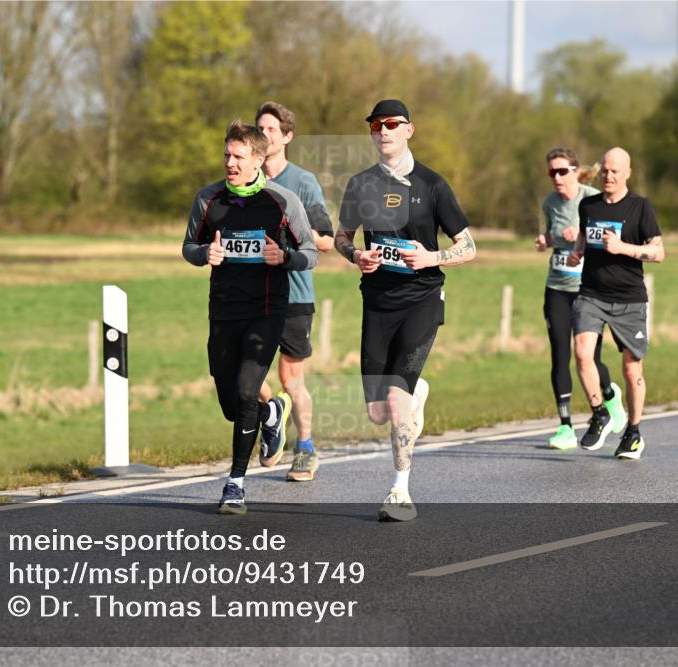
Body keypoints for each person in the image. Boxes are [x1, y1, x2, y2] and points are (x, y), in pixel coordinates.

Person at [335, 99, 476, 521]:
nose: (384, 131)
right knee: (377, 413)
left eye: (392, 124)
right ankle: (415, 395)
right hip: (377, 302)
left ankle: (400, 491)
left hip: (422, 298)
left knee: (395, 400)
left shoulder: (432, 185)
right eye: (376, 125)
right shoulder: (361, 184)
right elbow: (342, 237)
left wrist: (430, 259)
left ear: (409, 130)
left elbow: (468, 247)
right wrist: (356, 256)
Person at [182, 119, 318, 514]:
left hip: (266, 311)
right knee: (231, 404)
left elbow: (309, 252)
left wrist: (285, 257)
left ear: (258, 158)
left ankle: (235, 484)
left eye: (238, 156)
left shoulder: (281, 202)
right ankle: (271, 411)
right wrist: (204, 253)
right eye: (226, 154)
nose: (229, 162)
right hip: (223, 312)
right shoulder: (208, 200)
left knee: (245, 391)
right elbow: (188, 246)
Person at [568, 147, 666, 459]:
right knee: (583, 354)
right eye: (606, 170)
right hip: (591, 293)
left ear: (627, 173)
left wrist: (624, 248)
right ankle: (600, 413)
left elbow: (658, 253)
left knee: (631, 370)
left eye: (616, 171)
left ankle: (634, 432)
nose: (609, 176)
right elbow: (585, 237)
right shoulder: (588, 205)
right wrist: (577, 250)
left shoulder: (640, 207)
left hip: (629, 299)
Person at [254, 101, 334, 482]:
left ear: (287, 136)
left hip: (295, 293)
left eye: (271, 129)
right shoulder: (244, 179)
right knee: (245, 374)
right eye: (260, 128)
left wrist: (293, 234)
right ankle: (273, 413)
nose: (265, 135)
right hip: (252, 293)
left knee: (291, 380)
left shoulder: (303, 182)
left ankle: (305, 448)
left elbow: (328, 241)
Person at [535, 147, 626, 450]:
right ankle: (565, 427)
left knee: (588, 357)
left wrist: (582, 236)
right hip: (557, 287)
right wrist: (545, 240)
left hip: (588, 290)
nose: (557, 177)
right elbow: (551, 235)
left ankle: (610, 397)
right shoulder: (549, 203)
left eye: (562, 171)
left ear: (575, 170)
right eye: (552, 172)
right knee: (560, 355)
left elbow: (607, 237)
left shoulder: (592, 199)